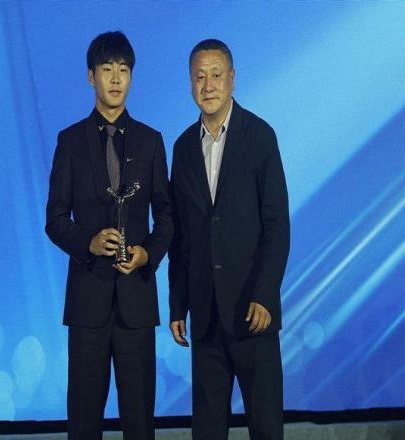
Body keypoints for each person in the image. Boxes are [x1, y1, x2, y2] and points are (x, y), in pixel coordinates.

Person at [45, 31, 172, 440]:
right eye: (106, 69)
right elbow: (55, 219)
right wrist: (89, 242)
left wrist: (146, 254)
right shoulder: (70, 141)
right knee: (84, 423)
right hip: (88, 304)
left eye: (123, 70)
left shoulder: (151, 141)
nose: (116, 78)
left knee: (140, 423)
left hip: (137, 302)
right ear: (90, 76)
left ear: (131, 77)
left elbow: (166, 216)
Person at [168, 39, 290, 440]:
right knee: (206, 431)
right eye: (199, 77)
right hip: (205, 317)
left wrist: (265, 295)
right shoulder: (183, 148)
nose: (208, 85)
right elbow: (181, 237)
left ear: (232, 79)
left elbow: (277, 226)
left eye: (216, 75)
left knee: (266, 429)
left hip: (253, 312)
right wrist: (178, 304)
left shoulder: (260, 137)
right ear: (190, 83)